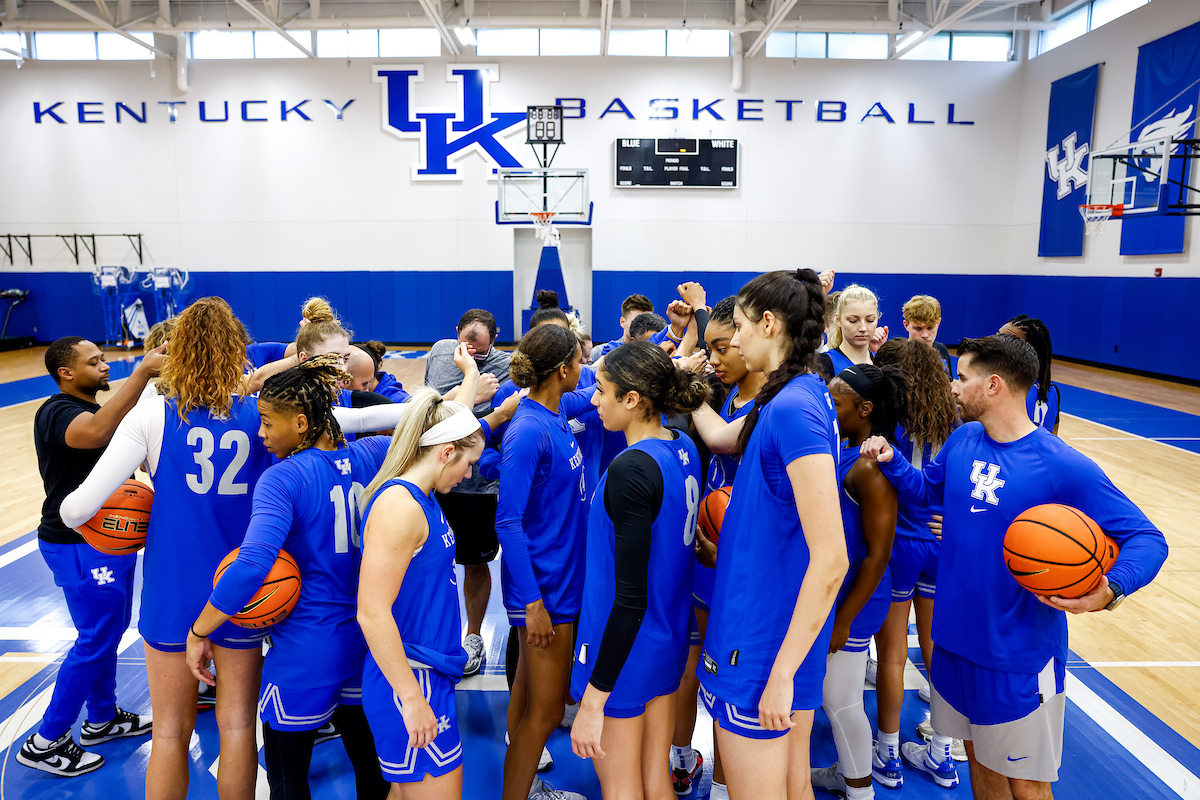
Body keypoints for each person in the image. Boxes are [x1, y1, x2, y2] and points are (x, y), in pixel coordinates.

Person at [59, 300, 411, 800]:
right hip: (249, 593)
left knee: (168, 735)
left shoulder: (152, 412)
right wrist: (443, 405)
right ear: (236, 349)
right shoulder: (265, 411)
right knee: (239, 728)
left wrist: (140, 505)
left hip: (172, 595)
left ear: (177, 351)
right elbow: (374, 416)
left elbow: (74, 511)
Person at [859, 335, 1168, 800]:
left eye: (962, 377)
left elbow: (1147, 538)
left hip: (1016, 658)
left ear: (994, 385)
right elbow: (927, 491)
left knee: (1026, 784)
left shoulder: (1060, 465)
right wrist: (892, 460)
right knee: (980, 765)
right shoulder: (964, 438)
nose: (953, 387)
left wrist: (1110, 590)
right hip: (954, 643)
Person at [183, 354, 471, 800]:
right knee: (374, 776)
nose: (261, 434)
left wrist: (201, 629)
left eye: (267, 422)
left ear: (301, 423)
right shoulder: (377, 454)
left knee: (288, 780)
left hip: (306, 649)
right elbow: (436, 434)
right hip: (368, 648)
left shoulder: (282, 480)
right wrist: (474, 389)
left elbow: (254, 564)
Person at [697, 269, 848, 800]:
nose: (733, 341)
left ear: (768, 322)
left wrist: (780, 671)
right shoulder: (794, 395)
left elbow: (833, 558)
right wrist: (689, 392)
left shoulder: (790, 409)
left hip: (761, 640)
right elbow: (719, 435)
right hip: (779, 628)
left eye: (738, 327)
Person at [569, 342, 709, 798]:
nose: (594, 400)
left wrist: (594, 697)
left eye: (602, 390)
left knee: (623, 788)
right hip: (667, 641)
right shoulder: (684, 444)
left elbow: (629, 598)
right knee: (655, 780)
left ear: (632, 399)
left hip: (623, 652)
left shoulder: (631, 469)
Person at [20, 337, 164, 777]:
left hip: (105, 541)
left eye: (105, 361)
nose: (105, 368)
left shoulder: (93, 410)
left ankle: (101, 719)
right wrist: (141, 373)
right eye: (95, 362)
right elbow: (97, 432)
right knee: (95, 637)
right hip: (76, 542)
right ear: (66, 372)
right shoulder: (58, 411)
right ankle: (46, 740)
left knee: (109, 629)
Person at [355, 388, 488, 799]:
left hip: (427, 673)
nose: (469, 474)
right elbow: (372, 612)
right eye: (469, 463)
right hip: (412, 679)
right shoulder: (401, 506)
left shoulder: (424, 498)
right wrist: (411, 698)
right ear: (446, 452)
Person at [671, 294, 765, 800]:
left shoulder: (764, 405)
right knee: (691, 662)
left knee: (725, 678)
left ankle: (727, 787)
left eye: (722, 348)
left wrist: (695, 394)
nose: (713, 359)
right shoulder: (732, 387)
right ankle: (682, 759)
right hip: (708, 549)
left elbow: (725, 441)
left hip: (737, 557)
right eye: (709, 349)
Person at [497, 323, 588, 800]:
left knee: (527, 698)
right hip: (545, 589)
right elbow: (507, 522)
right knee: (549, 712)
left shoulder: (555, 408)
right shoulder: (529, 431)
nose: (584, 367)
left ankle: (525, 786)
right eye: (579, 360)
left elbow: (594, 395)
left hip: (558, 580)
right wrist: (533, 603)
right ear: (561, 369)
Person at [811, 364, 906, 800]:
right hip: (839, 592)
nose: (827, 407)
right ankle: (849, 773)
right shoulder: (841, 450)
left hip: (858, 598)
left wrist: (844, 620)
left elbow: (877, 556)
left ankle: (861, 789)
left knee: (841, 699)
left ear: (864, 408)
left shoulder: (869, 470)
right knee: (834, 696)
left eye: (835, 401)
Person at [871, 338, 963, 785]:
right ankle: (942, 753)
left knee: (891, 656)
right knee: (936, 651)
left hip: (898, 545)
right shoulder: (958, 424)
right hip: (942, 544)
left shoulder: (887, 422)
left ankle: (887, 754)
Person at [424, 308, 511, 677]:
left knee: (475, 563)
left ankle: (473, 635)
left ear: (495, 340)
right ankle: (436, 635)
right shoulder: (441, 351)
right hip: (436, 479)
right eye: (467, 344)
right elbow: (433, 415)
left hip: (479, 488)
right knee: (431, 561)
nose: (471, 352)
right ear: (456, 332)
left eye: (481, 348)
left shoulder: (507, 365)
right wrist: (474, 391)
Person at [999, 315, 1060, 435]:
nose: (997, 341)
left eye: (1007, 339)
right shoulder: (1050, 389)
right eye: (998, 335)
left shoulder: (1010, 388)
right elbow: (1054, 436)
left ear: (1029, 350)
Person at [817, 284, 882, 378]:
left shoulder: (882, 362)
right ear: (838, 320)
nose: (863, 328)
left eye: (870, 320)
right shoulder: (823, 364)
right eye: (853, 321)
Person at [592, 294, 655, 359]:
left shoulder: (657, 355)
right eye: (636, 322)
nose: (642, 327)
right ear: (622, 322)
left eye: (647, 322)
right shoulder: (599, 353)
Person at [901, 295, 952, 370]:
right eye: (918, 328)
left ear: (939, 322)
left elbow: (948, 381)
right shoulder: (898, 354)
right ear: (906, 325)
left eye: (930, 328)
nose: (925, 335)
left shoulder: (942, 350)